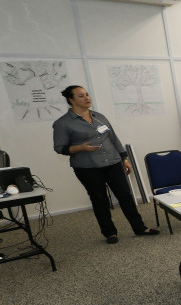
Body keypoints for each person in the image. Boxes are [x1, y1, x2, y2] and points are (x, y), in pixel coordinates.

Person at [52, 85, 159, 244]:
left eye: (87, 94)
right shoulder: (63, 123)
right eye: (81, 96)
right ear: (71, 100)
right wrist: (80, 148)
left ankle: (140, 227)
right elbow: (59, 148)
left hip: (112, 162)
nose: (87, 98)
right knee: (100, 199)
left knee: (125, 196)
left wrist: (124, 158)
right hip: (87, 167)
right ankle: (110, 233)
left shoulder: (99, 117)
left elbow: (113, 138)